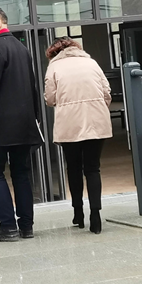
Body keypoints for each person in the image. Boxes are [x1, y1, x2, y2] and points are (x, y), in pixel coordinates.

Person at [0, 6, 43, 242]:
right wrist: (35, 117)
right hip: (23, 125)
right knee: (21, 173)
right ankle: (26, 226)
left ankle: (8, 226)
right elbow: (32, 86)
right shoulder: (22, 48)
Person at [44, 37, 112, 234]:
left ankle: (78, 213)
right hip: (96, 120)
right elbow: (107, 92)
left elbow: (50, 99)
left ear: (53, 52)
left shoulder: (54, 67)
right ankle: (95, 216)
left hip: (69, 123)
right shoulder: (92, 63)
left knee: (73, 167)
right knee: (93, 168)